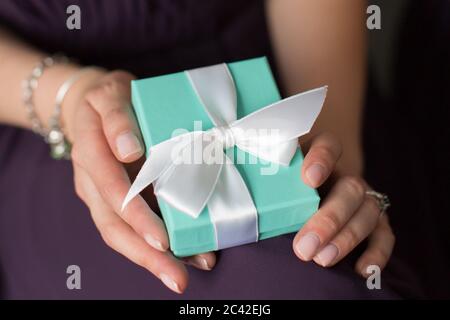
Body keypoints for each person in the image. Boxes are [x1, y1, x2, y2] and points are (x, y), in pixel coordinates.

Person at [0, 0, 397, 298]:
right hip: (45, 105)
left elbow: (321, 142)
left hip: (277, 77)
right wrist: (71, 97)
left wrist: (324, 133)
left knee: (318, 273)